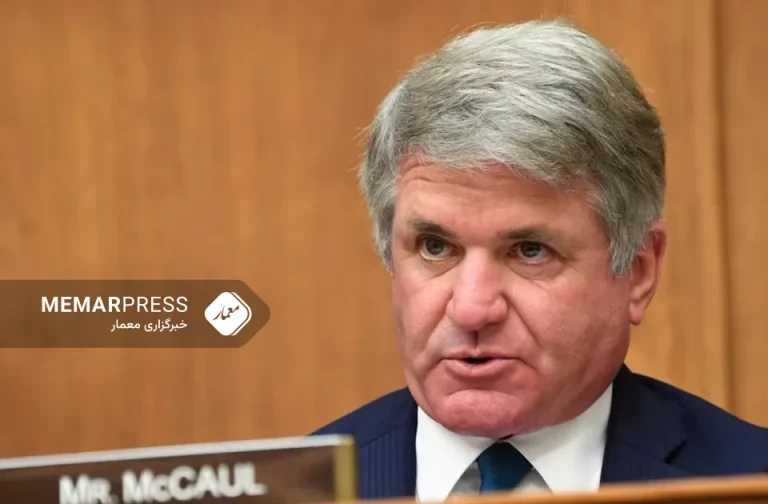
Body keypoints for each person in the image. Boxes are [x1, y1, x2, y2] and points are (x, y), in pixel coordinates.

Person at [313, 19, 768, 500]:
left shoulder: (750, 482)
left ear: (638, 272)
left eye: (530, 251)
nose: (471, 309)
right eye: (435, 247)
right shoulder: (296, 491)